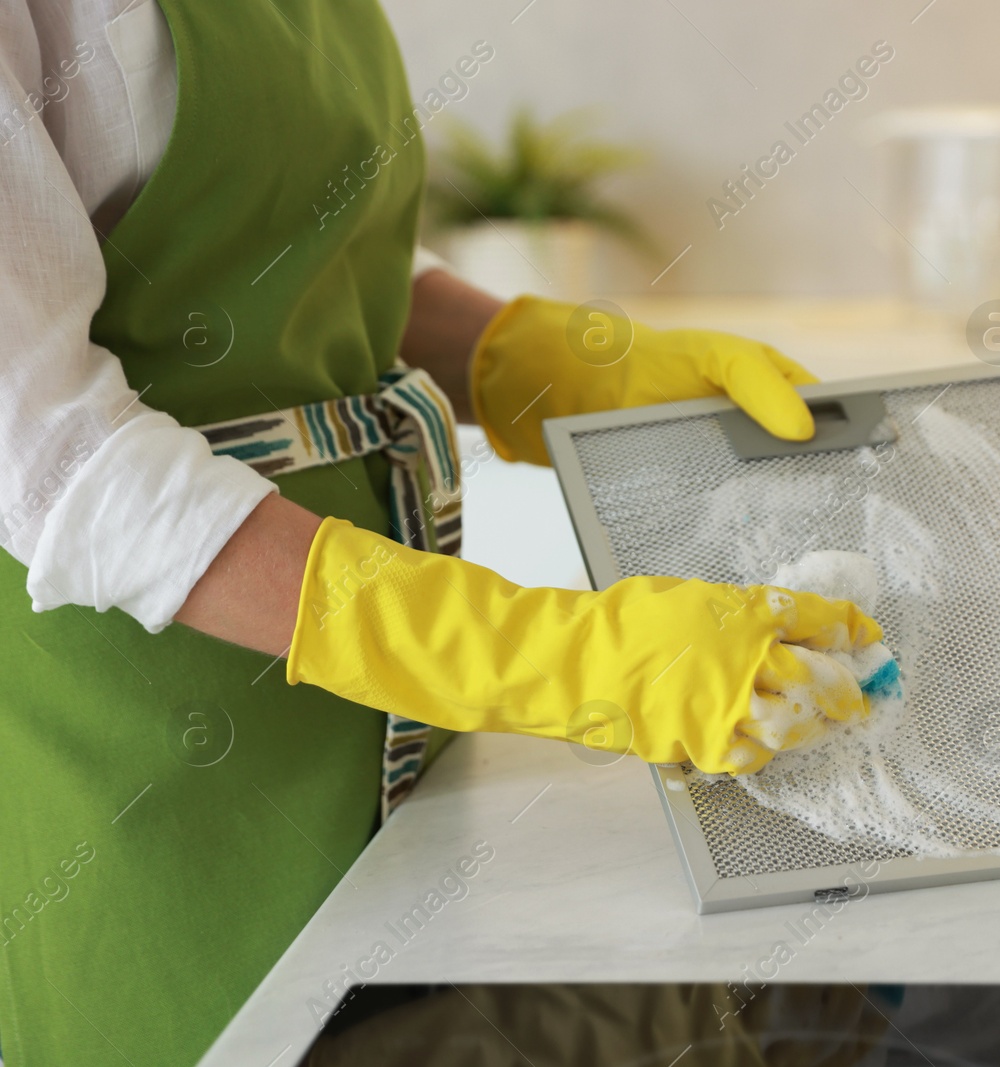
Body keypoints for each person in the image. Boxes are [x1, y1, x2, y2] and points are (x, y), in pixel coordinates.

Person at [0, 1, 881, 1063]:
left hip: (384, 722)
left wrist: (532, 355)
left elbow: (297, 245)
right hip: (158, 743)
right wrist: (536, 653)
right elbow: (52, 457)